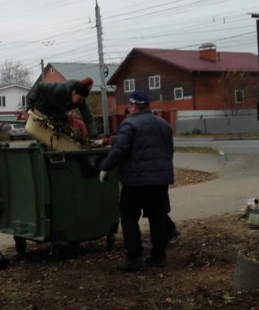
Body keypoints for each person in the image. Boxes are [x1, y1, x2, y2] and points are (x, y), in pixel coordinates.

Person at [99, 91, 174, 272]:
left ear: (133, 106)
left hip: (135, 182)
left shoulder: (129, 124)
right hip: (160, 181)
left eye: (130, 105)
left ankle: (134, 258)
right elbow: (169, 150)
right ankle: (158, 257)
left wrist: (105, 168)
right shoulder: (164, 124)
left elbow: (120, 149)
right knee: (158, 218)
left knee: (129, 218)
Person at [26, 78, 98, 137]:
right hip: (43, 107)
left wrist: (94, 134)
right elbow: (39, 86)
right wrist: (31, 102)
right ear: (73, 92)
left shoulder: (80, 101)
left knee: (63, 131)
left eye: (82, 100)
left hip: (58, 112)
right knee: (43, 132)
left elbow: (88, 117)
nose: (80, 102)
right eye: (79, 99)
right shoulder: (60, 88)